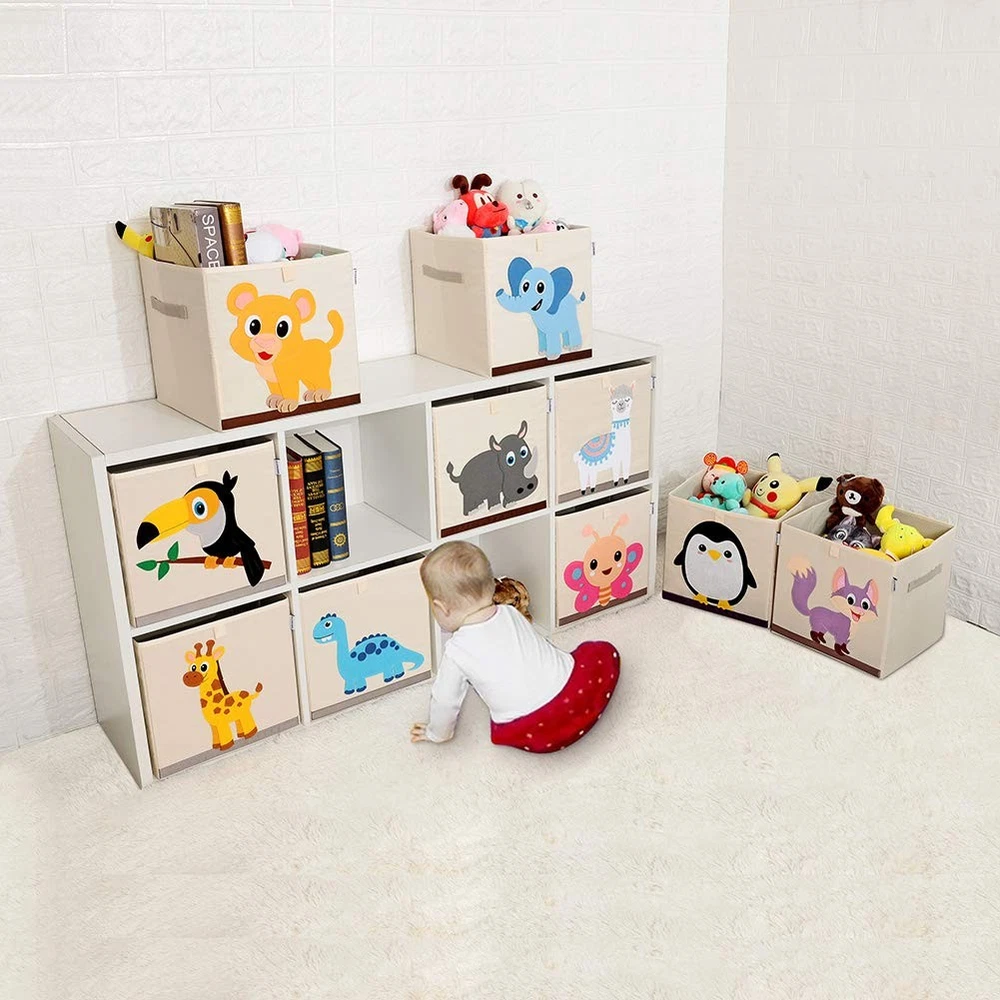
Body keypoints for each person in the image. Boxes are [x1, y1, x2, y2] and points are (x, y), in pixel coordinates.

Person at [411, 541, 620, 753]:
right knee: (600, 652)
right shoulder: (510, 612)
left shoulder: (456, 651)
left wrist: (437, 733)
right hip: (579, 696)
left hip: (535, 731)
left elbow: (445, 702)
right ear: (492, 586)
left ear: (441, 608)